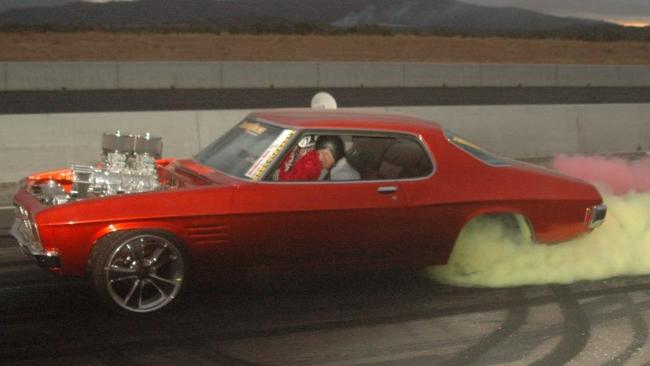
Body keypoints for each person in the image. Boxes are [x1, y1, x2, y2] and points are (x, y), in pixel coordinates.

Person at [278, 135, 360, 181]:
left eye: (325, 154)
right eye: (319, 154)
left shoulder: (343, 176)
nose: (320, 158)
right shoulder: (334, 169)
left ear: (336, 154)